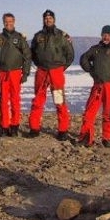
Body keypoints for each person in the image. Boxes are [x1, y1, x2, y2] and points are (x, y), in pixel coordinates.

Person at [28, 9, 75, 140]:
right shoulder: (38, 36)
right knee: (38, 99)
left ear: (54, 20)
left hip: (56, 71)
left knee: (59, 100)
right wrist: (38, 64)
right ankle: (34, 128)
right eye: (45, 18)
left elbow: (70, 54)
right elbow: (32, 53)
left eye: (50, 18)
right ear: (43, 20)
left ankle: (63, 130)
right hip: (42, 70)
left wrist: (61, 68)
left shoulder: (61, 36)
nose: (48, 20)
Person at [0, 12, 31, 136]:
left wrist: (25, 73)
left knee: (15, 100)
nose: (8, 24)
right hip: (2, 72)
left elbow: (27, 56)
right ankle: (4, 126)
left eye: (10, 21)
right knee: (3, 100)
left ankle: (14, 126)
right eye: (6, 21)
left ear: (14, 22)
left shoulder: (20, 38)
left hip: (16, 72)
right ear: (3, 22)